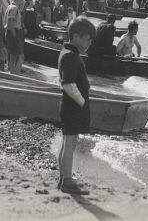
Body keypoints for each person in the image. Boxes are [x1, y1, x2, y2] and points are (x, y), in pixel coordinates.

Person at [57, 16, 96, 195]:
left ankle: (64, 178)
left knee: (67, 144)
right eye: (87, 39)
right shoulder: (71, 57)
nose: (89, 43)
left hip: (68, 106)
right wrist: (82, 102)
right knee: (70, 145)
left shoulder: (67, 53)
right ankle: (67, 182)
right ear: (75, 37)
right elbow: (68, 84)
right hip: (72, 107)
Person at [6, 0, 25, 75]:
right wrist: (15, 36)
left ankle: (12, 72)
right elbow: (11, 24)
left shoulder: (10, 6)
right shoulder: (14, 8)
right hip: (14, 32)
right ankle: (17, 74)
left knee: (13, 55)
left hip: (11, 32)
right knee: (20, 56)